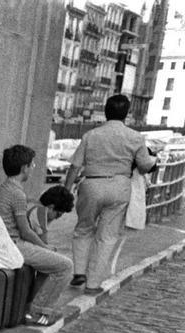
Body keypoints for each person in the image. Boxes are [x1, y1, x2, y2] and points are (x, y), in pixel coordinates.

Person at [62, 94, 158, 293]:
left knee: (83, 228)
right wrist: (154, 160)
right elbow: (145, 164)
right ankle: (93, 283)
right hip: (119, 186)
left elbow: (75, 166)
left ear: (106, 111)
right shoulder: (135, 137)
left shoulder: (91, 135)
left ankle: (79, 272)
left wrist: (66, 190)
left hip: (92, 184)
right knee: (107, 235)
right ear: (127, 114)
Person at [0, 146, 73, 327]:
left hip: (2, 243)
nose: (33, 168)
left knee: (48, 264)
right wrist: (44, 247)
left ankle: (30, 307)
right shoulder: (17, 194)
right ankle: (39, 311)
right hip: (14, 245)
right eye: (32, 165)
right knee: (65, 266)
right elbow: (25, 231)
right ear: (24, 168)